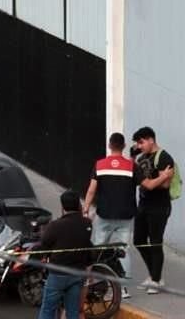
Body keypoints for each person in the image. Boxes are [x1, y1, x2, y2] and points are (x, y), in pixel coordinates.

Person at [83, 132, 140, 299]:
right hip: (126, 216)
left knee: (99, 249)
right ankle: (124, 289)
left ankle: (97, 285)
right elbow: (146, 184)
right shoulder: (131, 166)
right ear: (122, 147)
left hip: (104, 215)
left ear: (109, 145)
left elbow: (91, 190)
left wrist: (86, 209)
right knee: (123, 251)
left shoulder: (100, 165)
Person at [132, 126, 176, 293]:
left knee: (155, 242)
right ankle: (154, 274)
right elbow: (138, 177)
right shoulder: (141, 157)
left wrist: (158, 179)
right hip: (143, 205)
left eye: (141, 142)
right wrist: (159, 177)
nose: (139, 146)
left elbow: (165, 184)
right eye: (137, 143)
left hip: (159, 207)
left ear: (151, 140)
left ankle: (156, 280)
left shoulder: (164, 157)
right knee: (138, 240)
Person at [36, 190, 93, 319]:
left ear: (62, 207)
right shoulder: (87, 224)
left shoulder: (55, 226)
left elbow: (44, 245)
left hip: (58, 274)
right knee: (72, 311)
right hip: (77, 273)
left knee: (48, 309)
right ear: (79, 205)